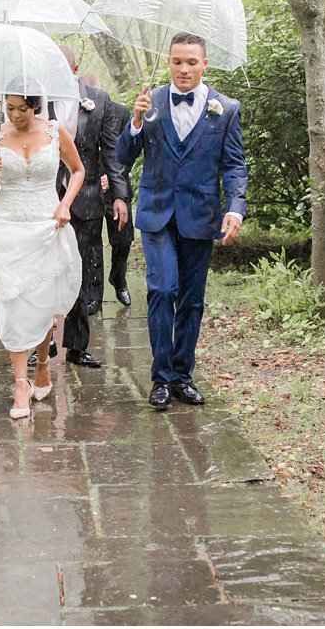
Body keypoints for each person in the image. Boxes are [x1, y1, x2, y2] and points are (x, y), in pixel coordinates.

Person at [116, 33, 247, 409]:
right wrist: (136, 122)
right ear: (169, 62)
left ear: (204, 64)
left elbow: (234, 164)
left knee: (191, 300)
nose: (183, 69)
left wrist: (234, 208)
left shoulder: (226, 108)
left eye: (191, 62)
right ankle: (160, 377)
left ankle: (182, 376)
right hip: (157, 214)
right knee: (161, 290)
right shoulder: (150, 101)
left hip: (201, 215)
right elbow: (123, 155)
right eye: (177, 61)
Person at [0, 87, 84, 420]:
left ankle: (43, 362)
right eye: (10, 108)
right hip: (6, 229)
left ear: (36, 107)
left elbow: (77, 171)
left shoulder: (53, 131)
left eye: (22, 110)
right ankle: (20, 383)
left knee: (43, 303)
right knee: (13, 304)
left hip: (47, 226)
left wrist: (65, 204)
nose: (15, 116)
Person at [55, 49, 128, 369]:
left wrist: (119, 195)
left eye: (61, 65)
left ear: (74, 67)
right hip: (44, 197)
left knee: (81, 271)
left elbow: (112, 153)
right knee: (40, 273)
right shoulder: (33, 100)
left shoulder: (99, 100)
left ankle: (77, 345)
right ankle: (37, 345)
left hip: (85, 198)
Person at [82, 73, 135, 308]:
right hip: (89, 185)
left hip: (116, 185)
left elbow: (126, 152)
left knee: (122, 239)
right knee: (92, 241)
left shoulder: (122, 112)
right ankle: (95, 295)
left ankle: (119, 277)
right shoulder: (75, 112)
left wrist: (113, 180)